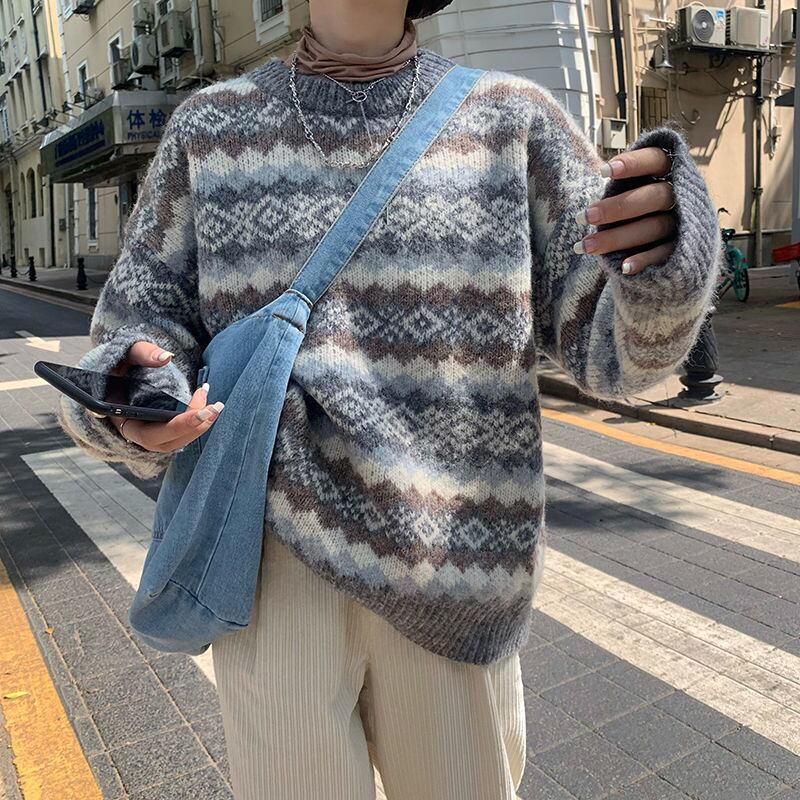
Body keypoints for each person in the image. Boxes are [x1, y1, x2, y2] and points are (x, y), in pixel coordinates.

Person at [56, 0, 723, 797]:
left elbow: (617, 357)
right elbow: (136, 327)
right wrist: (136, 394)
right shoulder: (209, 128)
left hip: (457, 570)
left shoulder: (513, 121)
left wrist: (668, 261)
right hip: (271, 565)